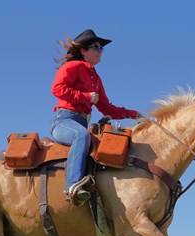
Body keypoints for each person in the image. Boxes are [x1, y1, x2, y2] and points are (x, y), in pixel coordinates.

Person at [50, 29, 141, 205]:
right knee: (81, 135)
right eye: (96, 47)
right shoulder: (72, 66)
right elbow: (57, 89)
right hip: (63, 120)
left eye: (101, 48)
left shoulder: (96, 79)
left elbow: (107, 108)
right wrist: (85, 97)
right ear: (83, 51)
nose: (100, 51)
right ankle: (72, 186)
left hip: (82, 122)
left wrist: (134, 114)